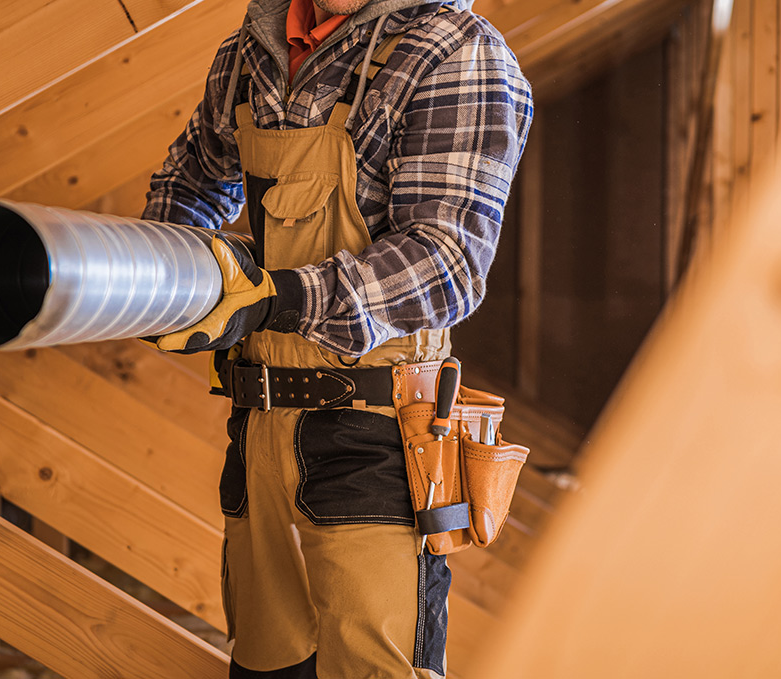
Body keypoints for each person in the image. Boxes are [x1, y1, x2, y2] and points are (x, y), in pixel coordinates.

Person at [139, 0, 532, 674]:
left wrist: (278, 296)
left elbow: (447, 263)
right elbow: (192, 179)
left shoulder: (454, 50)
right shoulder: (252, 50)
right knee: (266, 663)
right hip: (259, 424)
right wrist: (160, 275)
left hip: (377, 433)